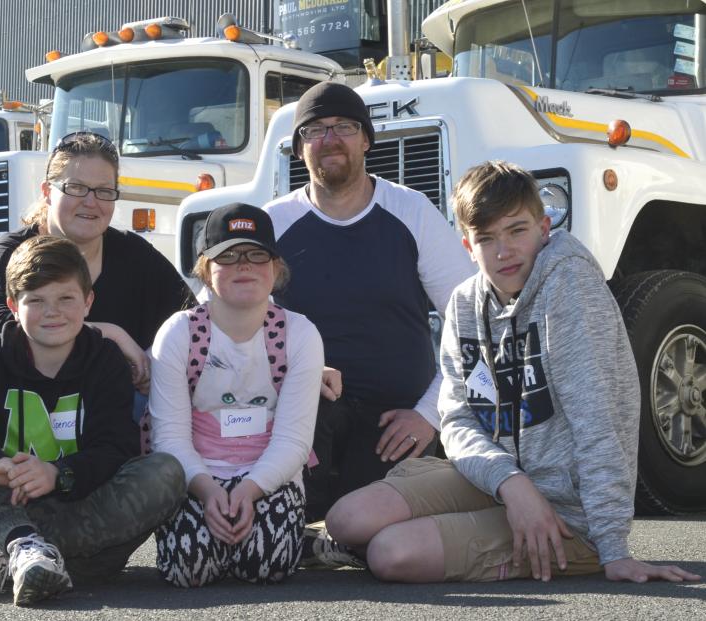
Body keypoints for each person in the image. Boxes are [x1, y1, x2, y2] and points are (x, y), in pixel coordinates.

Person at [325, 160, 702, 584]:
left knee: (391, 554)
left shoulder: (569, 287)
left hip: (569, 513)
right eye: (486, 238)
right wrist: (511, 484)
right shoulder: (465, 304)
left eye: (517, 230)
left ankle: (580, 548)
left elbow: (598, 419)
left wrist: (614, 547)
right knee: (346, 519)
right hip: (497, 481)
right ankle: (472, 520)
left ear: (544, 228)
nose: (503, 251)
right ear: (468, 246)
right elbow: (458, 419)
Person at [0, 235, 185, 606]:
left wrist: (58, 474)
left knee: (166, 471)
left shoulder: (105, 363)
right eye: (35, 300)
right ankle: (23, 546)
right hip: (0, 512)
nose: (52, 311)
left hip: (81, 518)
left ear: (88, 302)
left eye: (65, 298)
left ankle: (6, 564)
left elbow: (115, 448)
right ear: (12, 307)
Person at [263, 82, 475, 528]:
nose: (329, 140)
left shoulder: (411, 211)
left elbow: (474, 322)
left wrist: (429, 414)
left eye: (343, 126)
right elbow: (219, 320)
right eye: (315, 130)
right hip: (304, 415)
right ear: (299, 148)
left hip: (398, 423)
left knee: (365, 528)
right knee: (300, 524)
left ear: (366, 139)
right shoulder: (274, 223)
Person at [149, 203, 324, 587]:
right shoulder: (178, 334)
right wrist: (208, 490)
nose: (244, 265)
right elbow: (170, 438)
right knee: (188, 568)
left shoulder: (302, 334)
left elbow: (295, 440)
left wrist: (249, 489)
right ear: (206, 272)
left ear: (276, 268)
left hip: (268, 476)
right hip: (196, 476)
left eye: (256, 254)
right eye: (227, 256)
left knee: (266, 564)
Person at [0, 131, 195, 399]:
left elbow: (191, 324)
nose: (91, 202)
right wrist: (113, 335)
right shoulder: (9, 254)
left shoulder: (135, 256)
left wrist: (158, 368)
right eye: (76, 188)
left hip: (116, 419)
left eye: (104, 191)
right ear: (47, 192)